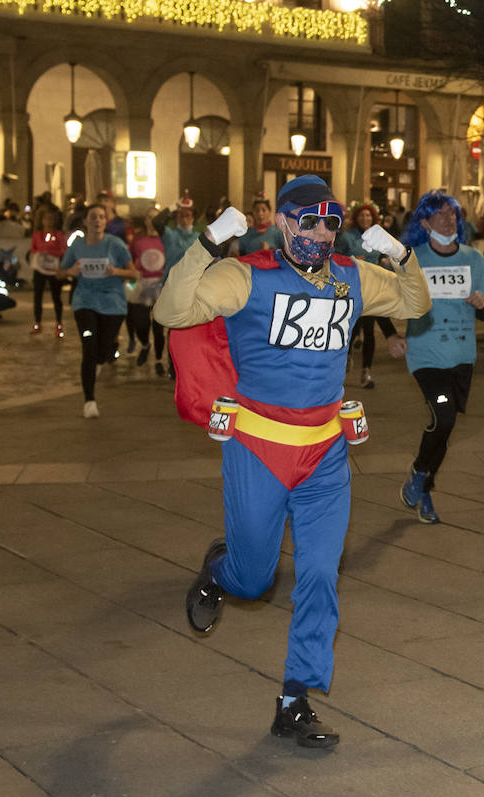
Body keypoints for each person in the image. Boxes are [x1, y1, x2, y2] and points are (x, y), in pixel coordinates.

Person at [154, 175, 431, 749]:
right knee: (254, 580)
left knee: (320, 575)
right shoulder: (245, 275)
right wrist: (207, 243)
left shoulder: (351, 278)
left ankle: (294, 699)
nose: (322, 232)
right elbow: (171, 312)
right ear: (283, 222)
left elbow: (414, 303)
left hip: (326, 453)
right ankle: (220, 570)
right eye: (309, 221)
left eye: (331, 222)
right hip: (258, 447)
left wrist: (401, 253)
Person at [396, 190, 484, 523]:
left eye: (453, 214)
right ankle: (421, 478)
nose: (448, 220)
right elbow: (389, 300)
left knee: (444, 425)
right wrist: (393, 335)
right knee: (444, 416)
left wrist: (483, 305)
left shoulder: (473, 259)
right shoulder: (414, 260)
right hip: (425, 355)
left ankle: (421, 483)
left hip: (462, 355)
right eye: (440, 214)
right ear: (424, 222)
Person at [58, 203, 138, 418]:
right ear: (85, 221)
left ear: (106, 221)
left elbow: (134, 274)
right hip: (85, 301)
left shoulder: (116, 245)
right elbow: (59, 273)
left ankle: (102, 359)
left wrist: (116, 271)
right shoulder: (77, 246)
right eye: (93, 216)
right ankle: (89, 401)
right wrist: (70, 271)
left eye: (101, 217)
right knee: (88, 346)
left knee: (104, 349)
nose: (97, 220)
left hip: (112, 304)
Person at [337, 203, 400, 388]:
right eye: (362, 216)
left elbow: (385, 255)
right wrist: (351, 261)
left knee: (370, 330)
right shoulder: (347, 237)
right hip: (352, 288)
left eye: (369, 216)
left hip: (373, 288)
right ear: (356, 218)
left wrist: (386, 262)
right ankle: (346, 355)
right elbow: (334, 258)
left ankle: (366, 371)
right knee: (350, 327)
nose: (365, 219)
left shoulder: (377, 237)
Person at [128, 214, 169, 371]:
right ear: (145, 220)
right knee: (140, 323)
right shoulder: (138, 240)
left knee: (159, 327)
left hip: (161, 286)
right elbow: (129, 259)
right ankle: (145, 345)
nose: (152, 220)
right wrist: (132, 276)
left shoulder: (166, 238)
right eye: (149, 217)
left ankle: (159, 360)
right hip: (142, 285)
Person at [29, 208, 67, 337]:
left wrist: (51, 253)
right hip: (40, 269)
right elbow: (33, 250)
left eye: (51, 219)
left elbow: (63, 251)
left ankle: (59, 323)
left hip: (54, 269)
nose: (48, 222)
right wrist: (40, 252)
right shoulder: (37, 234)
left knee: (56, 297)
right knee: (37, 296)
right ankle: (37, 322)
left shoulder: (59, 235)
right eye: (46, 219)